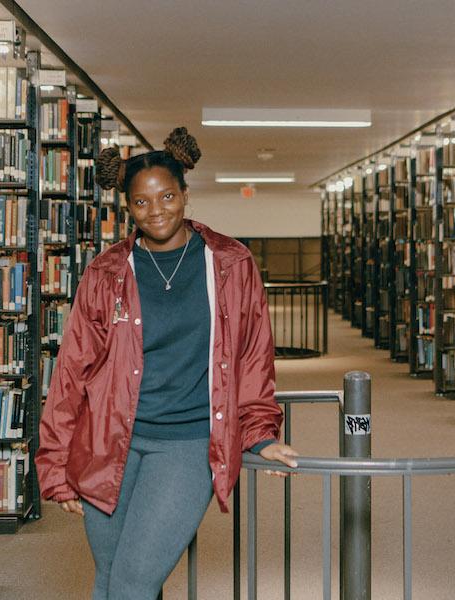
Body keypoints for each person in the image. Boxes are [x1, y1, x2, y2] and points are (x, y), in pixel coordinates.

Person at [36, 127, 301, 599]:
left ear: (185, 194)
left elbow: (253, 357)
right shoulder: (106, 272)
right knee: (111, 576)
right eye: (141, 202)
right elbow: (71, 371)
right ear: (128, 207)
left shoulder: (231, 264)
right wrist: (55, 464)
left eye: (167, 196)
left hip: (186, 441)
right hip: (107, 441)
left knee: (133, 583)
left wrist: (259, 434)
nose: (156, 210)